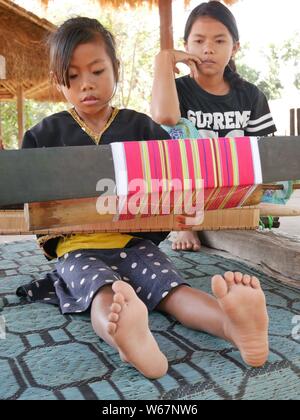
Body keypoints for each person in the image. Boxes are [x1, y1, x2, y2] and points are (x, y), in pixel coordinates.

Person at [19, 17, 269, 379]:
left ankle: (234, 326)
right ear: (59, 82)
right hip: (76, 248)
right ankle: (127, 336)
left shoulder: (141, 128)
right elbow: (25, 194)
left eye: (97, 70)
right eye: (72, 77)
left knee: (173, 290)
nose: (86, 84)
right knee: (104, 295)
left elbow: (174, 175)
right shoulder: (43, 135)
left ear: (115, 69)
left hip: (135, 242)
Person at [151, 1, 277, 253]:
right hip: (187, 188)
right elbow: (164, 118)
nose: (208, 49)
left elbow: (265, 155)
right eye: (198, 41)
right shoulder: (177, 91)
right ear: (185, 46)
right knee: (173, 131)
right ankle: (185, 223)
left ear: (235, 48)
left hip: (234, 188)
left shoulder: (250, 96)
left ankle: (243, 214)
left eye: (219, 41)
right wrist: (164, 59)